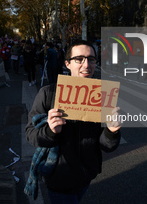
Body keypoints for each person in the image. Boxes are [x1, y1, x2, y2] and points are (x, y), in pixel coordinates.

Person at [25, 40, 121, 203]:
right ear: (67, 64)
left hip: (87, 174)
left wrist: (111, 132)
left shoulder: (102, 95)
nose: (86, 65)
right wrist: (50, 131)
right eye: (79, 59)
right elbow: (31, 134)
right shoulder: (48, 94)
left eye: (91, 59)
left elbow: (106, 145)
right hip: (59, 178)